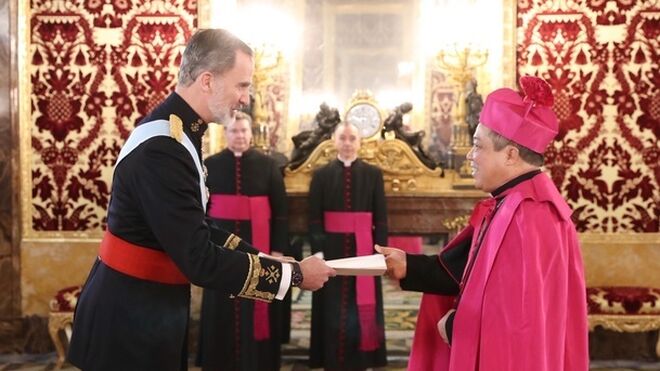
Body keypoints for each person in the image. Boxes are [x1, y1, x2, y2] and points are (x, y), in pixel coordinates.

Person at [67, 29, 335, 371]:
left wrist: (263, 258)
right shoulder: (164, 147)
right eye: (242, 85)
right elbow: (198, 258)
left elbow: (197, 227)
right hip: (127, 322)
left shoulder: (181, 133)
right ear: (207, 80)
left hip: (147, 310)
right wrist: (293, 276)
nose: (245, 98)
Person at [377, 76, 589, 371]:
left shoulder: (530, 214)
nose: (470, 155)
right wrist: (407, 265)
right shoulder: (512, 201)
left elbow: (518, 321)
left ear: (511, 155)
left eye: (478, 146)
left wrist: (456, 325)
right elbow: (469, 270)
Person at [197, 112, 288, 370]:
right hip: (220, 248)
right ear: (226, 134)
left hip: (258, 245)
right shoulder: (211, 165)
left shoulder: (268, 165)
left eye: (243, 131)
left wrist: (278, 250)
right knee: (221, 304)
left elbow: (280, 211)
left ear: (251, 134)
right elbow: (202, 209)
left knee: (257, 303)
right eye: (234, 131)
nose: (239, 136)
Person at [308, 122, 388, 370]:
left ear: (359, 142)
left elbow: (381, 217)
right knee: (331, 305)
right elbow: (314, 217)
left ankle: (363, 358)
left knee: (360, 303)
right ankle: (329, 356)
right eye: (342, 138)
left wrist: (380, 252)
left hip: (364, 250)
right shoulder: (320, 175)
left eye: (352, 138)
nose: (347, 142)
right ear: (334, 141)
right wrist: (318, 252)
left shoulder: (374, 174)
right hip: (331, 251)